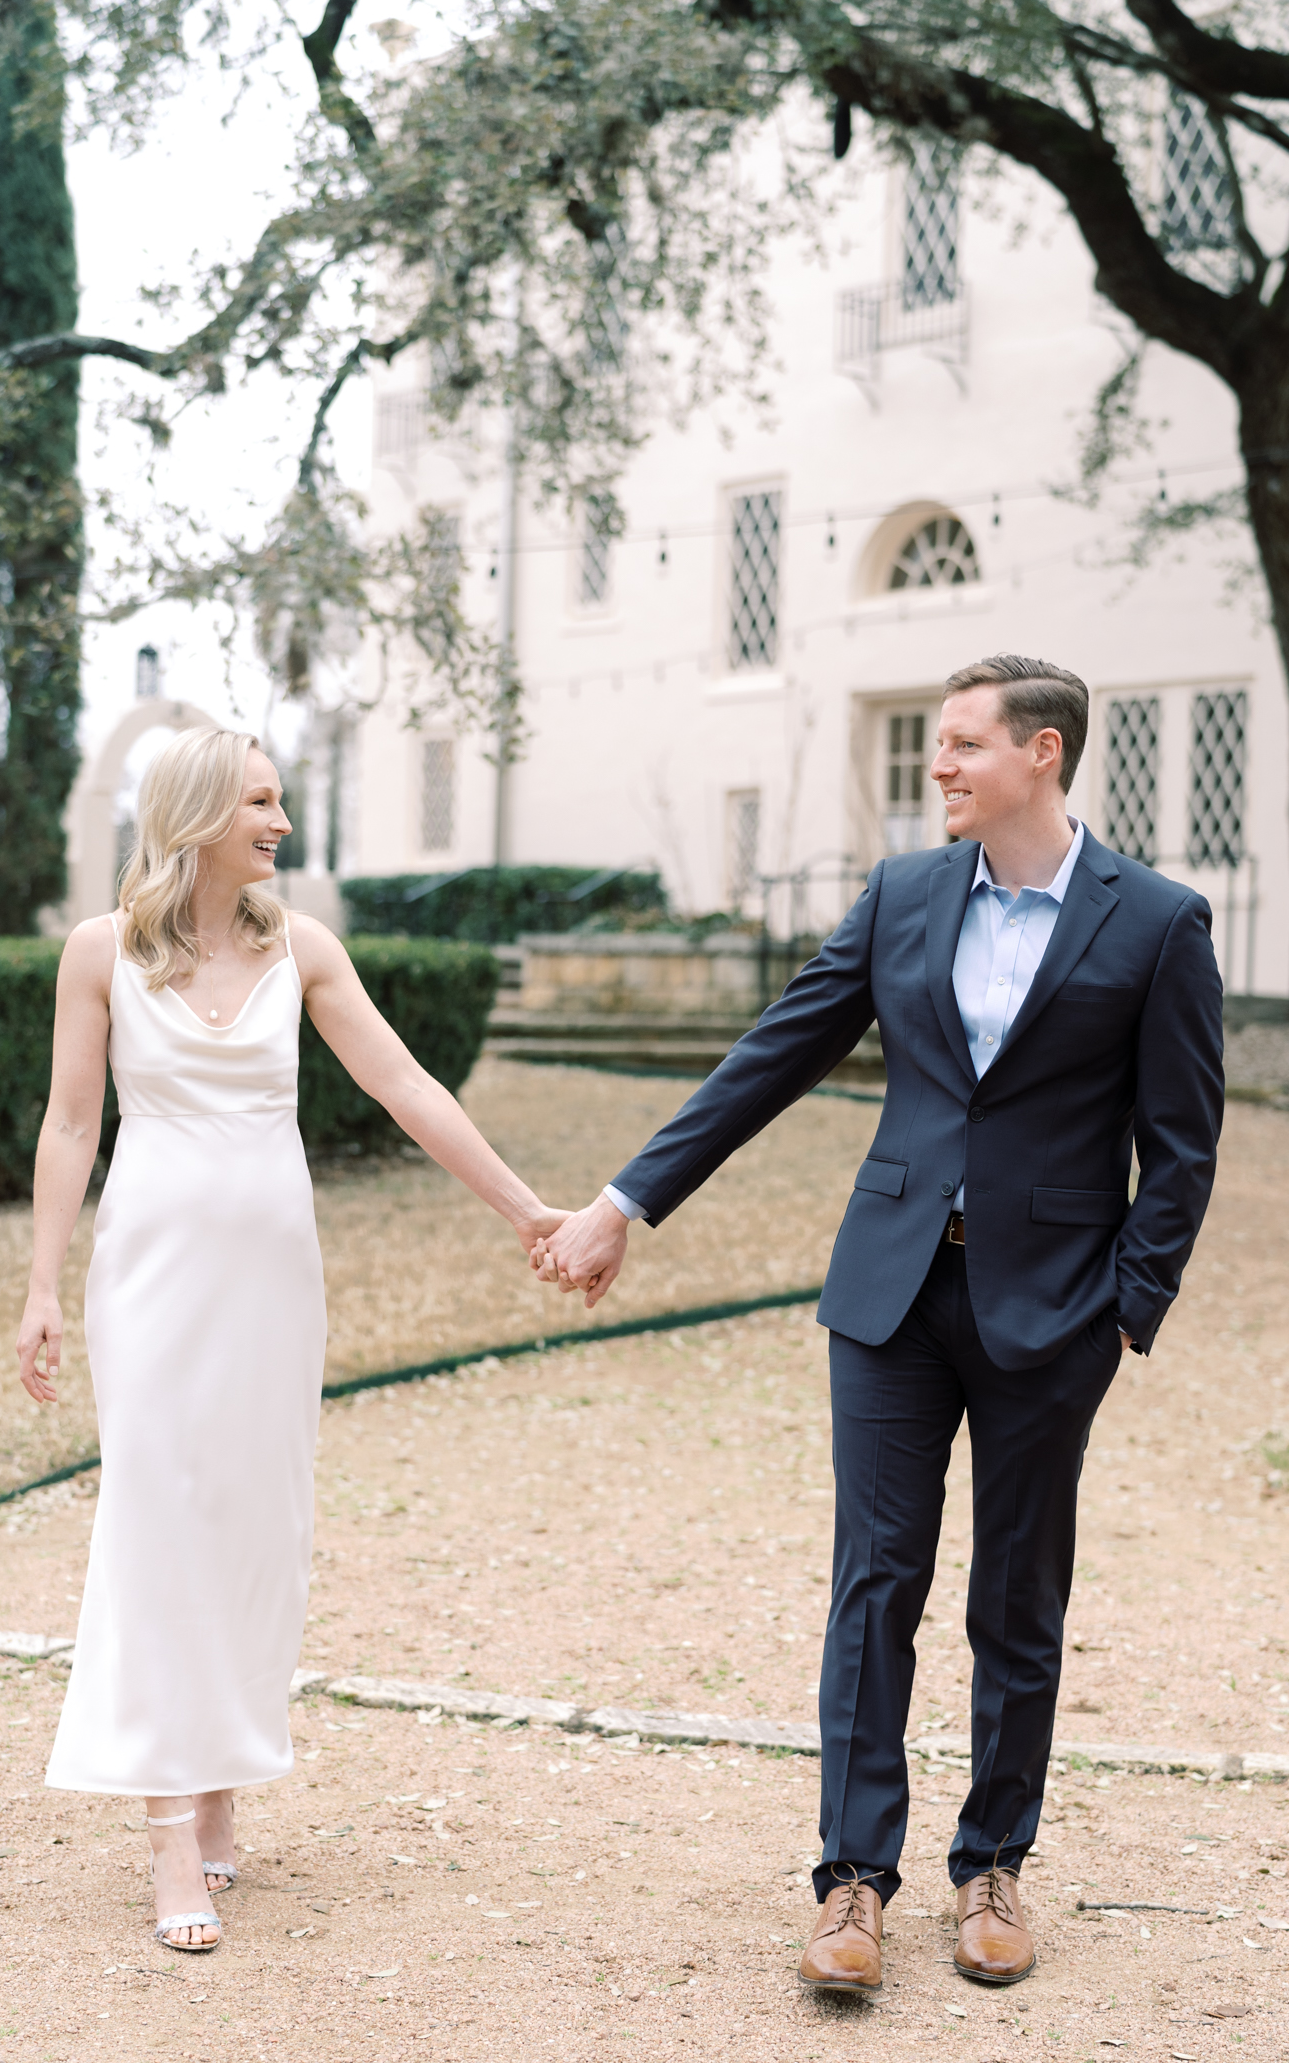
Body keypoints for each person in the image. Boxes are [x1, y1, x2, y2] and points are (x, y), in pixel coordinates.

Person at [534, 656, 1223, 1993]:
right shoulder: (903, 894)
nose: (939, 764)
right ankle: (851, 1880)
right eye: (937, 744)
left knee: (1015, 1593)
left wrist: (1126, 1312)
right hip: (890, 1295)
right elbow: (774, 1051)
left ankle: (990, 1866)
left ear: (1039, 751)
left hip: (1053, 1310)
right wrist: (627, 1200)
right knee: (874, 1586)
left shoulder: (1155, 922)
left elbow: (1179, 1144)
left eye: (963, 743)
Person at [19, 727, 566, 1953]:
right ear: (203, 812)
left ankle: (216, 1776)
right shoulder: (99, 953)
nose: (279, 822)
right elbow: (68, 1127)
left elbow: (406, 1087)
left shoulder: (303, 950)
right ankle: (168, 1823)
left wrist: (526, 1208)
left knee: (254, 1528)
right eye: (261, 802)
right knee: (159, 1517)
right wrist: (42, 1285)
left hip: (272, 1282)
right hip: (150, 1281)